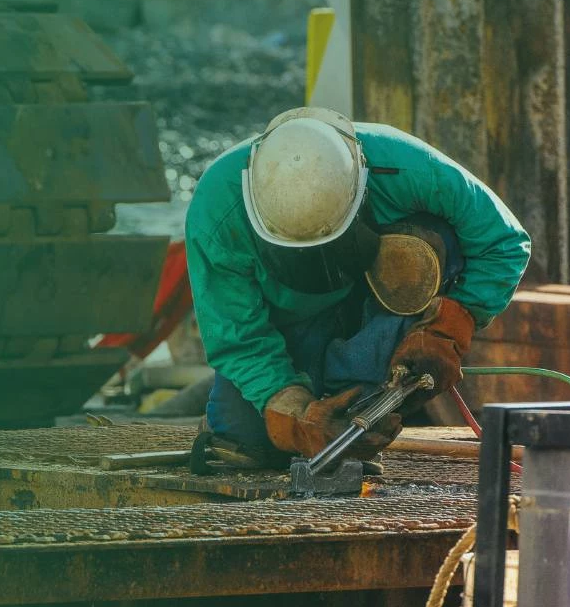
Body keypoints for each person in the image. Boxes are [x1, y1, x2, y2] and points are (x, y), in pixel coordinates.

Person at [185, 107, 530, 469]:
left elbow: (502, 241)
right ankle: (319, 407)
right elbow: (237, 337)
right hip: (287, 320)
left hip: (378, 297)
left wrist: (450, 325)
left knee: (437, 237)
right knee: (253, 440)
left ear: (359, 189)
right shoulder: (217, 210)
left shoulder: (405, 165)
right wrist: (294, 409)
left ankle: (358, 394)